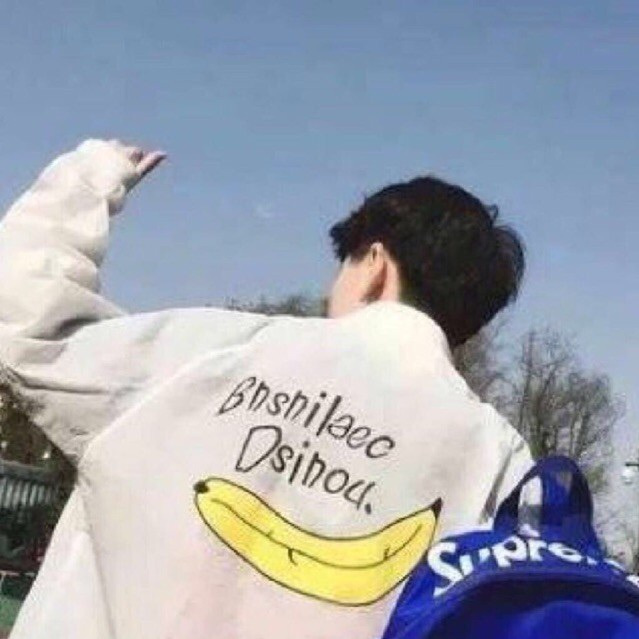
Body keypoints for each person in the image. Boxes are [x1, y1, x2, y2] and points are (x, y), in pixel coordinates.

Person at [0, 139, 532, 639]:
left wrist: (89, 175)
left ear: (374, 265)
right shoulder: (500, 462)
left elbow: (28, 324)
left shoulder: (218, 351)